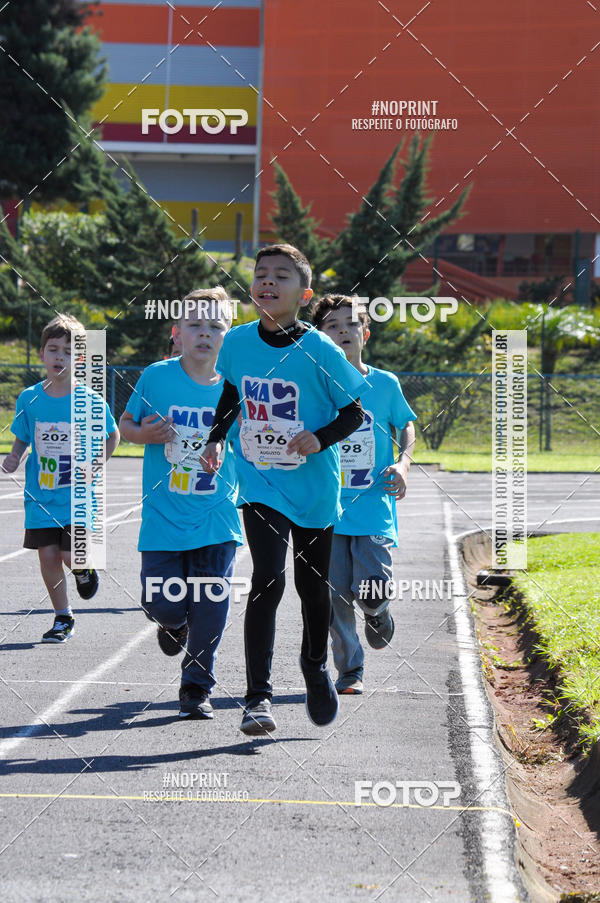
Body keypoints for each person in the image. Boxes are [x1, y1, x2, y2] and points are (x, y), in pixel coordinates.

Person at [202, 244, 368, 736]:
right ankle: (258, 696)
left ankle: (316, 667)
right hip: (260, 484)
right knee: (267, 579)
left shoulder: (319, 348)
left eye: (281, 276)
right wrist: (215, 438)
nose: (267, 282)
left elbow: (356, 411)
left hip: (315, 489)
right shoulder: (235, 343)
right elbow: (232, 393)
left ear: (304, 293)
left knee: (312, 590)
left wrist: (319, 439)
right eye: (261, 274)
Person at [119, 288, 243, 720]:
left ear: (228, 336)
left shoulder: (238, 385)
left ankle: (196, 685)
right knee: (163, 602)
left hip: (216, 516)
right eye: (195, 325)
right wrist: (144, 435)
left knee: (212, 602)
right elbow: (127, 424)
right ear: (177, 332)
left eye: (216, 326)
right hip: (164, 516)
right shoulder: (157, 376)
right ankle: (173, 623)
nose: (205, 334)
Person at [312, 294, 416, 694]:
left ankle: (378, 612)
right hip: (327, 510)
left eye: (350, 324)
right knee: (334, 595)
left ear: (365, 333)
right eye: (332, 326)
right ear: (321, 339)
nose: (342, 331)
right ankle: (350, 669)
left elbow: (406, 426)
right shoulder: (314, 388)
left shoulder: (383, 384)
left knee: (371, 590)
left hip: (373, 506)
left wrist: (403, 465)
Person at [1, 314, 120, 643]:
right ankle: (62, 616)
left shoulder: (90, 401)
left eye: (68, 351)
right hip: (41, 496)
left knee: (70, 555)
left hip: (79, 496)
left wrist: (96, 463)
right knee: (49, 557)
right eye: (53, 349)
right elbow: (23, 437)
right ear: (42, 354)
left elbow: (113, 436)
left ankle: (84, 570)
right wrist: (13, 456)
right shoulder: (29, 398)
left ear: (80, 358)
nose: (59, 357)